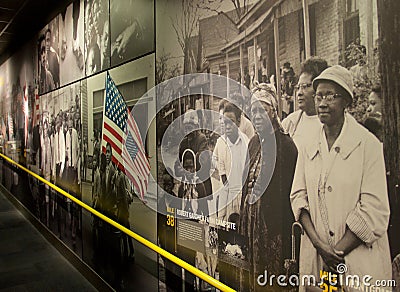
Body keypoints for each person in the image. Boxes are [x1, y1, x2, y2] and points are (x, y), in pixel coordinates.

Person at [290, 65, 391, 291]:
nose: (322, 103)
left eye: (330, 96)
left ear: (347, 101)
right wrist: (319, 245)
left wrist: (336, 252)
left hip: (357, 261)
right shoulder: (308, 144)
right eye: (319, 96)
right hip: (317, 258)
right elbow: (298, 196)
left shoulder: (368, 146)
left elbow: (375, 209)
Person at [239, 83, 298, 291]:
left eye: (262, 110)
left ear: (273, 112)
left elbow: (290, 196)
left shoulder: (286, 146)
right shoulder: (253, 143)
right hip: (250, 222)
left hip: (272, 226)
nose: (256, 115)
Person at [282, 57, 328, 148]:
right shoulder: (291, 122)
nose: (299, 93)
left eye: (305, 87)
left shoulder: (329, 123)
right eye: (298, 87)